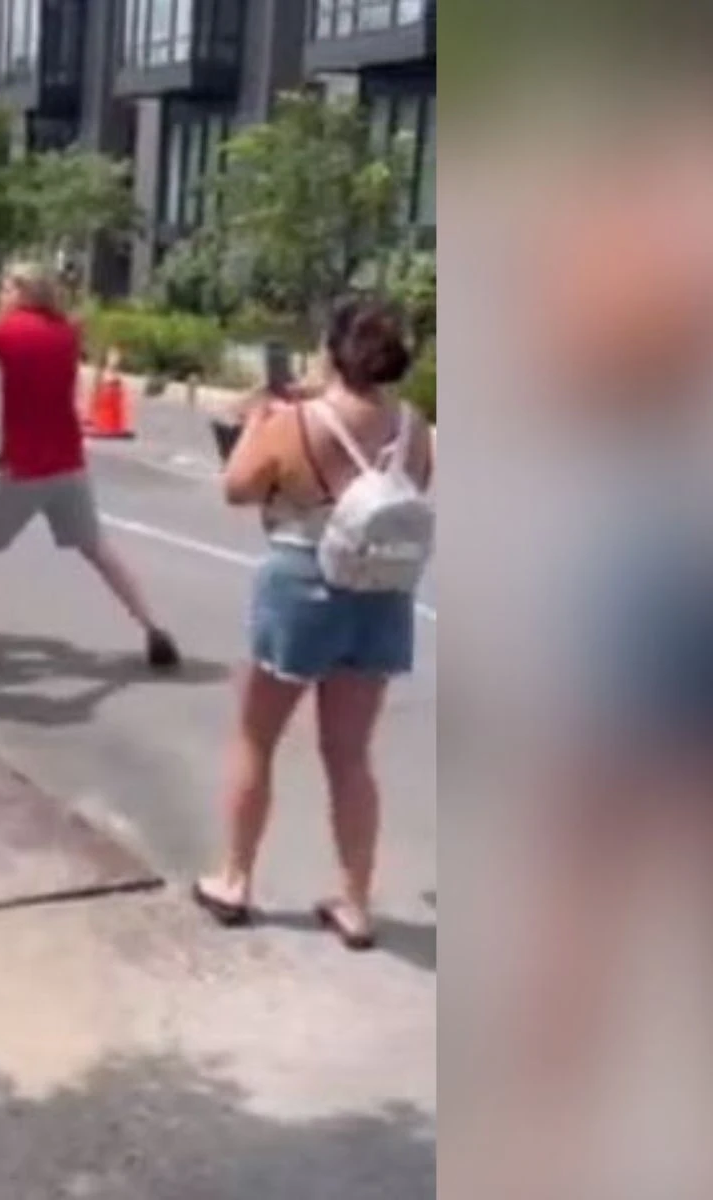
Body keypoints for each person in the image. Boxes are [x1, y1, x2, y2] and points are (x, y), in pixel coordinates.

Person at [189, 296, 434, 947]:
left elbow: (237, 487)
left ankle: (234, 879)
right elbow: (418, 485)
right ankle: (355, 902)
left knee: (256, 737)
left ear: (330, 349)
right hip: (381, 593)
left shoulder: (294, 422)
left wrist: (258, 421)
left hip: (302, 583)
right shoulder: (411, 423)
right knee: (351, 754)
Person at [0, 263, 180, 674]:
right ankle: (153, 627)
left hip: (22, 466)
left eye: (4, 286)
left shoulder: (5, 330)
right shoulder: (66, 333)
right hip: (68, 463)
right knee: (97, 549)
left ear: (22, 291)